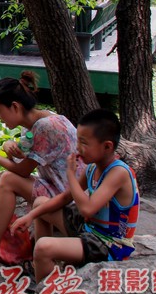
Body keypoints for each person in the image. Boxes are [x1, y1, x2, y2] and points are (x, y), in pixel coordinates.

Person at [0, 71, 79, 265]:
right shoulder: (34, 125)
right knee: (2, 177)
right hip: (57, 188)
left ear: (15, 106)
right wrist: (7, 148)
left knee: (8, 180)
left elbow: (22, 171)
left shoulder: (46, 126)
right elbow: (20, 163)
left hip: (70, 198)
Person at [10, 109, 138, 283]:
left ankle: (46, 292)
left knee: (43, 248)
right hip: (90, 228)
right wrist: (30, 215)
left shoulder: (118, 173)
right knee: (40, 203)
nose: (78, 148)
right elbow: (65, 198)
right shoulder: (92, 168)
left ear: (107, 146)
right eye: (78, 140)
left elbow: (87, 209)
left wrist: (70, 174)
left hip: (109, 244)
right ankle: (45, 267)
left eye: (84, 143)